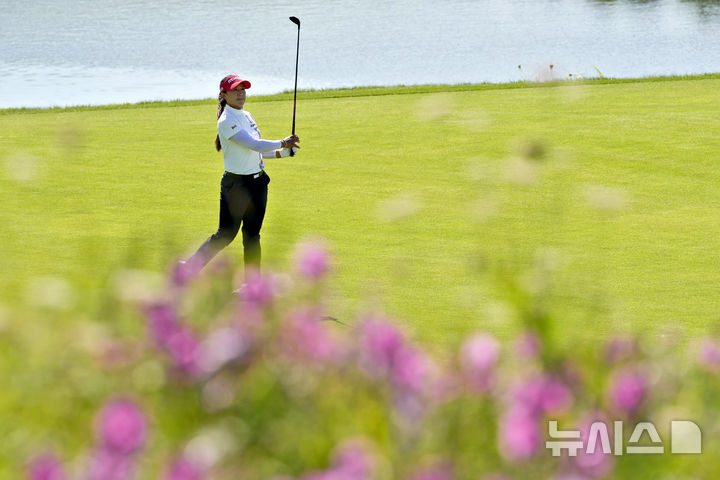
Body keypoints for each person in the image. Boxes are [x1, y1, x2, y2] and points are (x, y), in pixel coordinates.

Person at [180, 74, 299, 281]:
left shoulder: (248, 115)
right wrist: (282, 142)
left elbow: (257, 151)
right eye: (235, 90)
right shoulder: (226, 121)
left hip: (258, 183)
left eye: (242, 89)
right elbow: (255, 144)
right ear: (224, 94)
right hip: (236, 186)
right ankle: (189, 270)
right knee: (225, 235)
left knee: (252, 236)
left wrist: (284, 152)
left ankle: (252, 286)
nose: (240, 93)